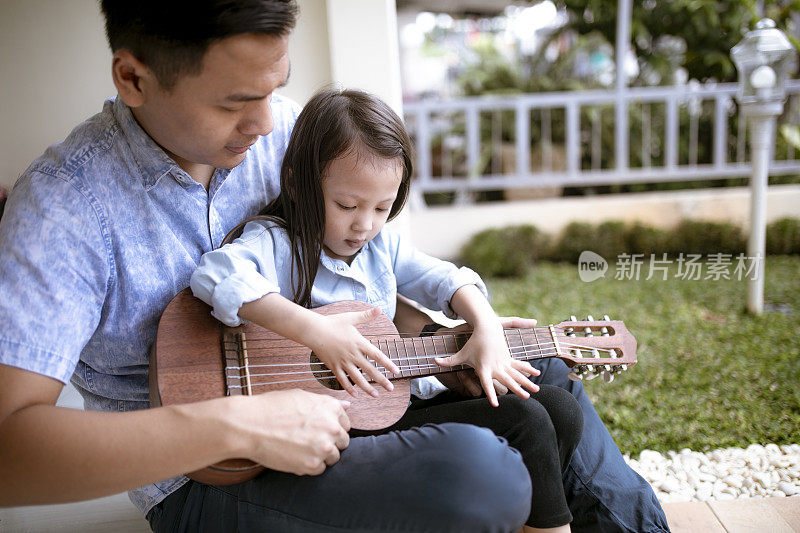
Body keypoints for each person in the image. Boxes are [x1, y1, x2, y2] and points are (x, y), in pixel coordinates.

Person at [0, 1, 670, 532]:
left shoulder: (296, 135)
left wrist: (441, 342)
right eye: (234, 102)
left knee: (532, 374)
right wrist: (236, 423)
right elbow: (9, 450)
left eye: (276, 88)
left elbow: (369, 269)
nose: (267, 122)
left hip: (350, 406)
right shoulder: (63, 210)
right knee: (484, 475)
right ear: (134, 77)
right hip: (209, 478)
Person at [189, 87, 584, 532]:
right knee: (524, 421)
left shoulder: (381, 244)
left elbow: (444, 278)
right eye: (347, 205)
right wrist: (319, 334)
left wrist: (485, 325)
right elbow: (214, 275)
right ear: (299, 183)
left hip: (396, 405)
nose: (364, 224)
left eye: (382, 207)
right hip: (339, 428)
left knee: (559, 409)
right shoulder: (277, 244)